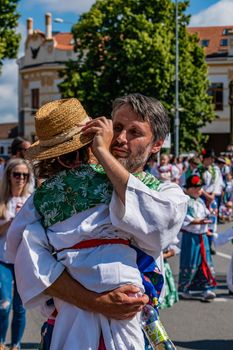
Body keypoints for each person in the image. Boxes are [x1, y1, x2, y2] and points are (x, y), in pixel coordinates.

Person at [6, 95, 188, 349]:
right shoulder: (49, 196)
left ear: (156, 144)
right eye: (118, 127)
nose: (122, 138)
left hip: (132, 327)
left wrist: (102, 152)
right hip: (70, 326)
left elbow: (157, 226)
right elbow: (29, 260)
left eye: (135, 132)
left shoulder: (166, 194)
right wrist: (95, 302)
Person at [0, 158, 33, 350]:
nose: (21, 178)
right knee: (4, 303)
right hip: (3, 259)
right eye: (17, 174)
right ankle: (1, 341)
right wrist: (13, 220)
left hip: (23, 260)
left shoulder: (31, 200)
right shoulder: (2, 201)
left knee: (21, 307)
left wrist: (25, 218)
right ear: (9, 176)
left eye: (25, 175)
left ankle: (16, 344)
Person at [178, 174, 217, 301]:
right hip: (191, 237)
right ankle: (185, 288)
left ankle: (206, 288)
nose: (198, 190)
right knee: (190, 261)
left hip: (202, 236)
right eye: (194, 187)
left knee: (205, 261)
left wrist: (209, 218)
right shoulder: (185, 201)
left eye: (199, 187)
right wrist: (199, 222)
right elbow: (185, 219)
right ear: (188, 189)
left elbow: (206, 215)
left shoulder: (200, 201)